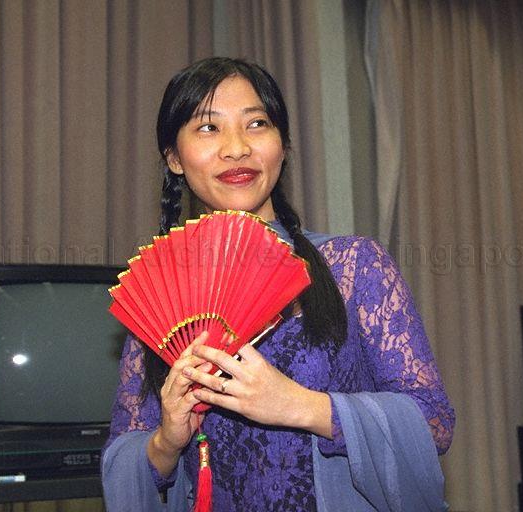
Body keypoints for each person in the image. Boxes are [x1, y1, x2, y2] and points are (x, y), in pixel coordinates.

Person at [102, 57, 455, 512]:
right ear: (174, 158)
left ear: (283, 146)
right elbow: (123, 455)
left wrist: (300, 406)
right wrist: (167, 441)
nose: (237, 148)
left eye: (256, 124)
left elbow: (434, 422)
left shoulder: (354, 266)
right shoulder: (158, 297)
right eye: (209, 128)